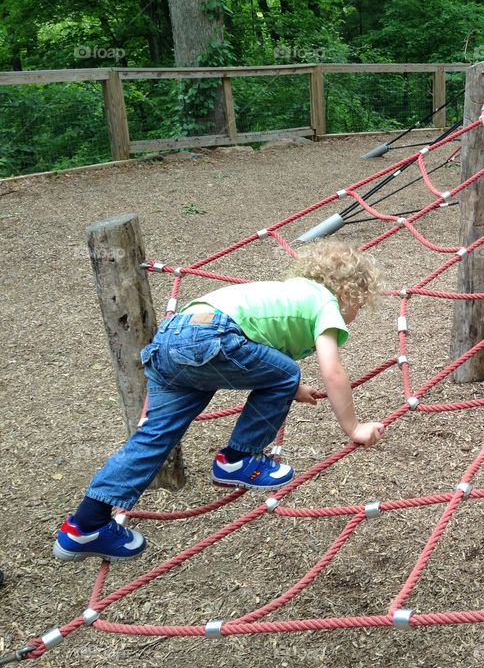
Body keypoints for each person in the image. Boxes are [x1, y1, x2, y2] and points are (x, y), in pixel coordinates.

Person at [53, 240, 385, 563]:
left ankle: (86, 525)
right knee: (286, 372)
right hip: (210, 336)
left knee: (154, 437)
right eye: (358, 306)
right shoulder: (324, 302)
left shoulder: (290, 293)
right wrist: (353, 427)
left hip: (170, 339)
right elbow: (333, 371)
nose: (355, 314)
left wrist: (292, 386)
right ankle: (237, 459)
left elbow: (261, 346)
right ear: (347, 293)